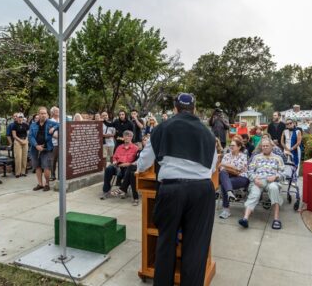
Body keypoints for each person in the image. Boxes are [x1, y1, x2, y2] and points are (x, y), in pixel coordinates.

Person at [137, 93, 217, 286]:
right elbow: (212, 166)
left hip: (172, 189)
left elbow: (143, 162)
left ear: (175, 109)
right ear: (195, 109)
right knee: (196, 246)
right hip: (201, 190)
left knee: (166, 242)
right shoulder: (207, 132)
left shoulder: (162, 128)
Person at [238, 138, 285, 230]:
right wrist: (255, 179)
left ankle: (276, 219)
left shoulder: (278, 158)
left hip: (272, 181)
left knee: (274, 188)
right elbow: (250, 171)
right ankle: (245, 219)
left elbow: (283, 173)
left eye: (267, 146)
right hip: (258, 181)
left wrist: (275, 177)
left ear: (272, 147)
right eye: (263, 146)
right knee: (254, 193)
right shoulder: (256, 157)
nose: (265, 147)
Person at [100, 130, 139, 203]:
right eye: (125, 136)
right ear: (123, 137)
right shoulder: (119, 147)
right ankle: (106, 190)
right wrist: (115, 162)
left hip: (128, 166)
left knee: (127, 171)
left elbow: (136, 161)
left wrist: (128, 164)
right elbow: (114, 157)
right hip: (118, 166)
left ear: (131, 137)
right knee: (108, 169)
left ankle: (124, 190)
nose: (127, 138)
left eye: (129, 136)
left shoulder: (135, 148)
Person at [218, 137, 249, 219]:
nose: (231, 147)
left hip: (242, 178)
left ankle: (226, 210)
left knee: (225, 182)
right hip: (228, 177)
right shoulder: (227, 155)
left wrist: (226, 165)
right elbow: (221, 168)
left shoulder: (243, 156)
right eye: (230, 145)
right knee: (223, 174)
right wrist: (231, 167)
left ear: (239, 147)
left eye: (233, 145)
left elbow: (239, 169)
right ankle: (229, 193)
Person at [29, 107, 58, 191]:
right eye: (41, 113)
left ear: (47, 114)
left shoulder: (50, 123)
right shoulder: (33, 125)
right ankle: (40, 184)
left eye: (45, 113)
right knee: (37, 166)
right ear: (38, 114)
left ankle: (47, 184)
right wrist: (36, 145)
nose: (43, 115)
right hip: (35, 149)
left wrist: (54, 128)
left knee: (46, 167)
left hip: (47, 148)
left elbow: (60, 125)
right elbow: (30, 136)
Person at [10, 113, 30, 178]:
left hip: (25, 141)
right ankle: (17, 173)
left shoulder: (26, 125)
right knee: (18, 157)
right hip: (17, 141)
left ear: (23, 117)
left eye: (21, 117)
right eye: (19, 117)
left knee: (24, 157)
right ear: (17, 118)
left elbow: (28, 134)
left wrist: (26, 140)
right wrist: (20, 141)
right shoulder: (14, 125)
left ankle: (23, 172)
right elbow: (14, 135)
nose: (20, 118)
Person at [49, 106, 60, 181]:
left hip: (62, 143)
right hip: (54, 143)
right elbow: (49, 132)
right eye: (56, 111)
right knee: (53, 160)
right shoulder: (50, 121)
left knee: (62, 160)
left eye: (58, 110)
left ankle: (61, 175)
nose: (57, 112)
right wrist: (58, 136)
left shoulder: (61, 120)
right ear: (52, 112)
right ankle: (53, 175)